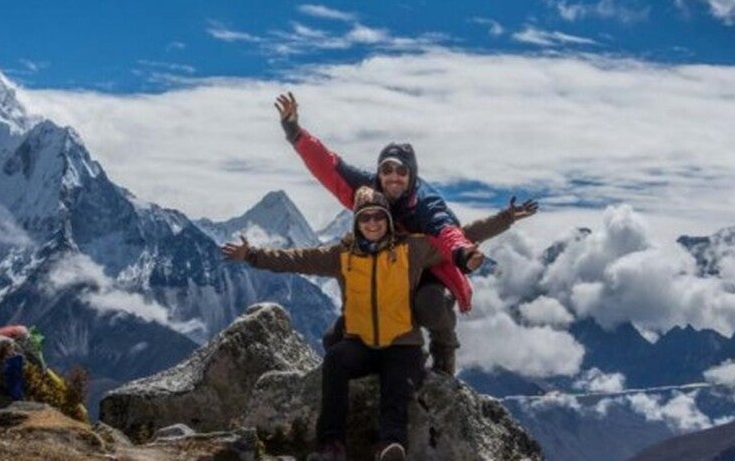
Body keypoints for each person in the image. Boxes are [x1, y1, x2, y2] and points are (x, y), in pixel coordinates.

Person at [221, 187, 536, 461]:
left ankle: (391, 445)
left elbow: (463, 235)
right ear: (357, 222)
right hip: (360, 343)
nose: (373, 223)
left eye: (379, 217)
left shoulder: (411, 249)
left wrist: (505, 218)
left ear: (387, 220)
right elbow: (296, 259)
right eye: (366, 218)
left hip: (403, 343)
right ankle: (332, 445)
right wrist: (253, 255)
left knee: (396, 387)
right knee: (335, 363)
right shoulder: (341, 255)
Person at [275, 92, 477, 375]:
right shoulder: (369, 192)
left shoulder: (425, 204)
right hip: (384, 270)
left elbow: (446, 229)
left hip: (426, 271)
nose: (394, 177)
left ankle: (443, 349)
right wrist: (294, 131)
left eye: (401, 171)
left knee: (430, 302)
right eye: (387, 170)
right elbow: (329, 166)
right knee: (336, 339)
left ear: (412, 175)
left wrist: (460, 252)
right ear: (379, 173)